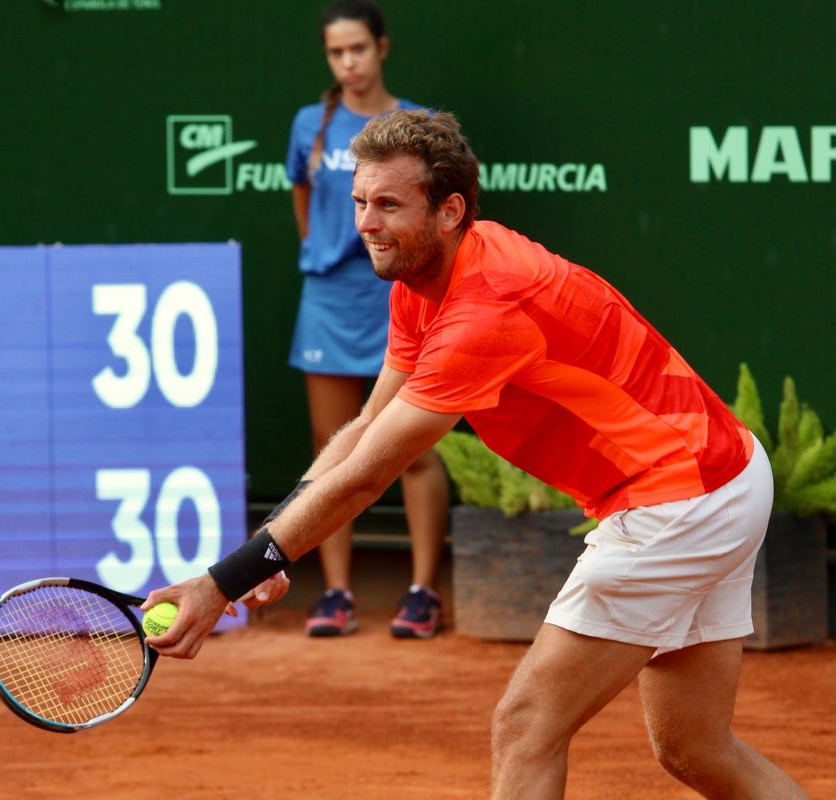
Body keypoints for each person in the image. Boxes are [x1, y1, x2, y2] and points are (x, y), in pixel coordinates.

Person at [144, 109, 807, 798]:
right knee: (695, 748)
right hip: (726, 475)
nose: (366, 223)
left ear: (448, 210)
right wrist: (266, 550)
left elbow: (367, 478)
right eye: (361, 202)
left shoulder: (485, 311)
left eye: (389, 205)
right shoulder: (426, 280)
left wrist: (220, 581)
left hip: (678, 501)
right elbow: (367, 427)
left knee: (526, 727)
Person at [285, 0, 449, 638]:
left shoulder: (418, 127)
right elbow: (303, 198)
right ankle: (336, 593)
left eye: (357, 48)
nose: (347, 61)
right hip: (327, 301)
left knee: (410, 451)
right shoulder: (309, 124)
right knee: (337, 449)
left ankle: (422, 591)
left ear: (382, 48)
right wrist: (318, 253)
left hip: (398, 296)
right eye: (335, 52)